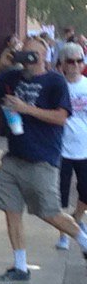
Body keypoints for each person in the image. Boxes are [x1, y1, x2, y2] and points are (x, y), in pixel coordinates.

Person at [0, 37, 87, 284]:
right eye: (23, 53)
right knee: (11, 209)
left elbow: (60, 118)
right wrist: (0, 63)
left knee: (48, 212)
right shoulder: (12, 77)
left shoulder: (54, 81)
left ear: (44, 57)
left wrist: (26, 109)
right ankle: (20, 266)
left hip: (42, 159)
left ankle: (84, 241)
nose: (27, 58)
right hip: (13, 158)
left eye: (32, 54)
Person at [55, 42, 87, 250]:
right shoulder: (57, 86)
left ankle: (77, 219)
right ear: (62, 64)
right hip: (61, 148)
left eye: (79, 60)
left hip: (84, 147)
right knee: (62, 194)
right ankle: (64, 234)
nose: (75, 65)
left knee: (85, 191)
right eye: (70, 61)